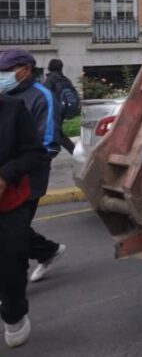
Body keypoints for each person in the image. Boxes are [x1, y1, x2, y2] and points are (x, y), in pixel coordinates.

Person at [0, 49, 67, 284]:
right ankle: (47, 251)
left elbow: (48, 143)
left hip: (29, 178)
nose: (1, 75)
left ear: (25, 70)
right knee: (12, 230)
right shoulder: (5, 95)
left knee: (13, 231)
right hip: (5, 177)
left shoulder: (42, 96)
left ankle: (13, 299)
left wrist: (16, 169)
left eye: (6, 71)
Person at [0, 92, 44, 348]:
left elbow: (33, 153)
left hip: (8, 204)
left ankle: (14, 314)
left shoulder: (12, 108)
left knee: (11, 264)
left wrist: (6, 175)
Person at [43, 59, 80, 155]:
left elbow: (46, 95)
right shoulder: (66, 79)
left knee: (57, 132)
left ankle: (74, 151)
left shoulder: (50, 79)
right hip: (63, 110)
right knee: (57, 131)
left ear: (50, 67)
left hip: (54, 109)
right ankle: (73, 151)